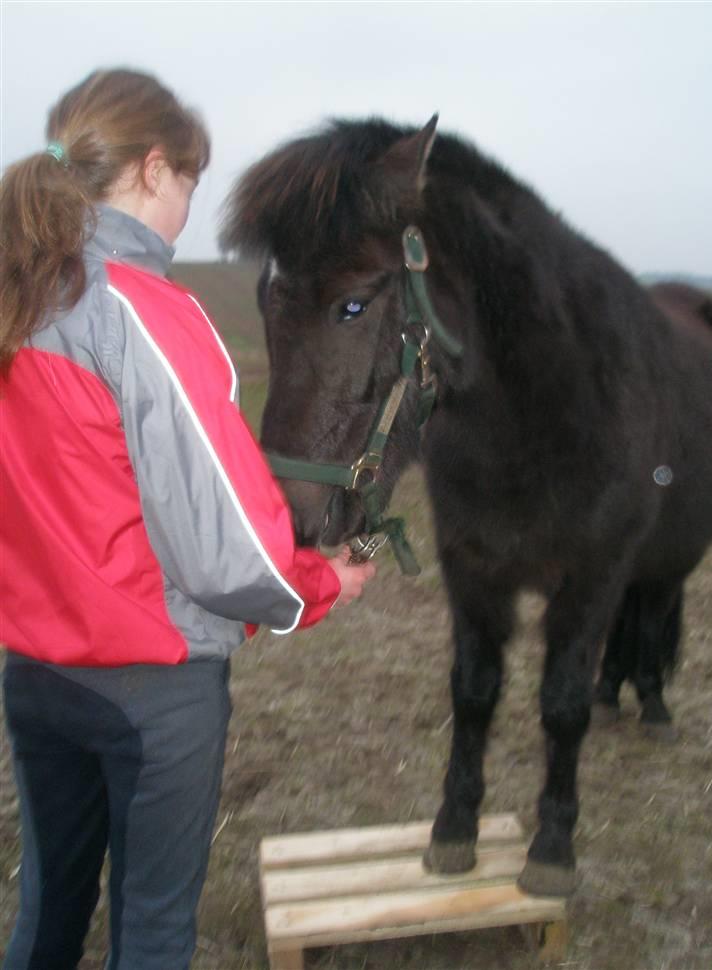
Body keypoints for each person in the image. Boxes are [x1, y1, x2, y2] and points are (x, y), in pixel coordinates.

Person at [0, 68, 375, 970]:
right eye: (190, 185)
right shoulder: (144, 311)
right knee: (156, 927)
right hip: (150, 691)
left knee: (48, 905)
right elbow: (226, 551)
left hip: (34, 674)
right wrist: (322, 584)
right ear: (152, 169)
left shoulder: (18, 295)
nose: (186, 211)